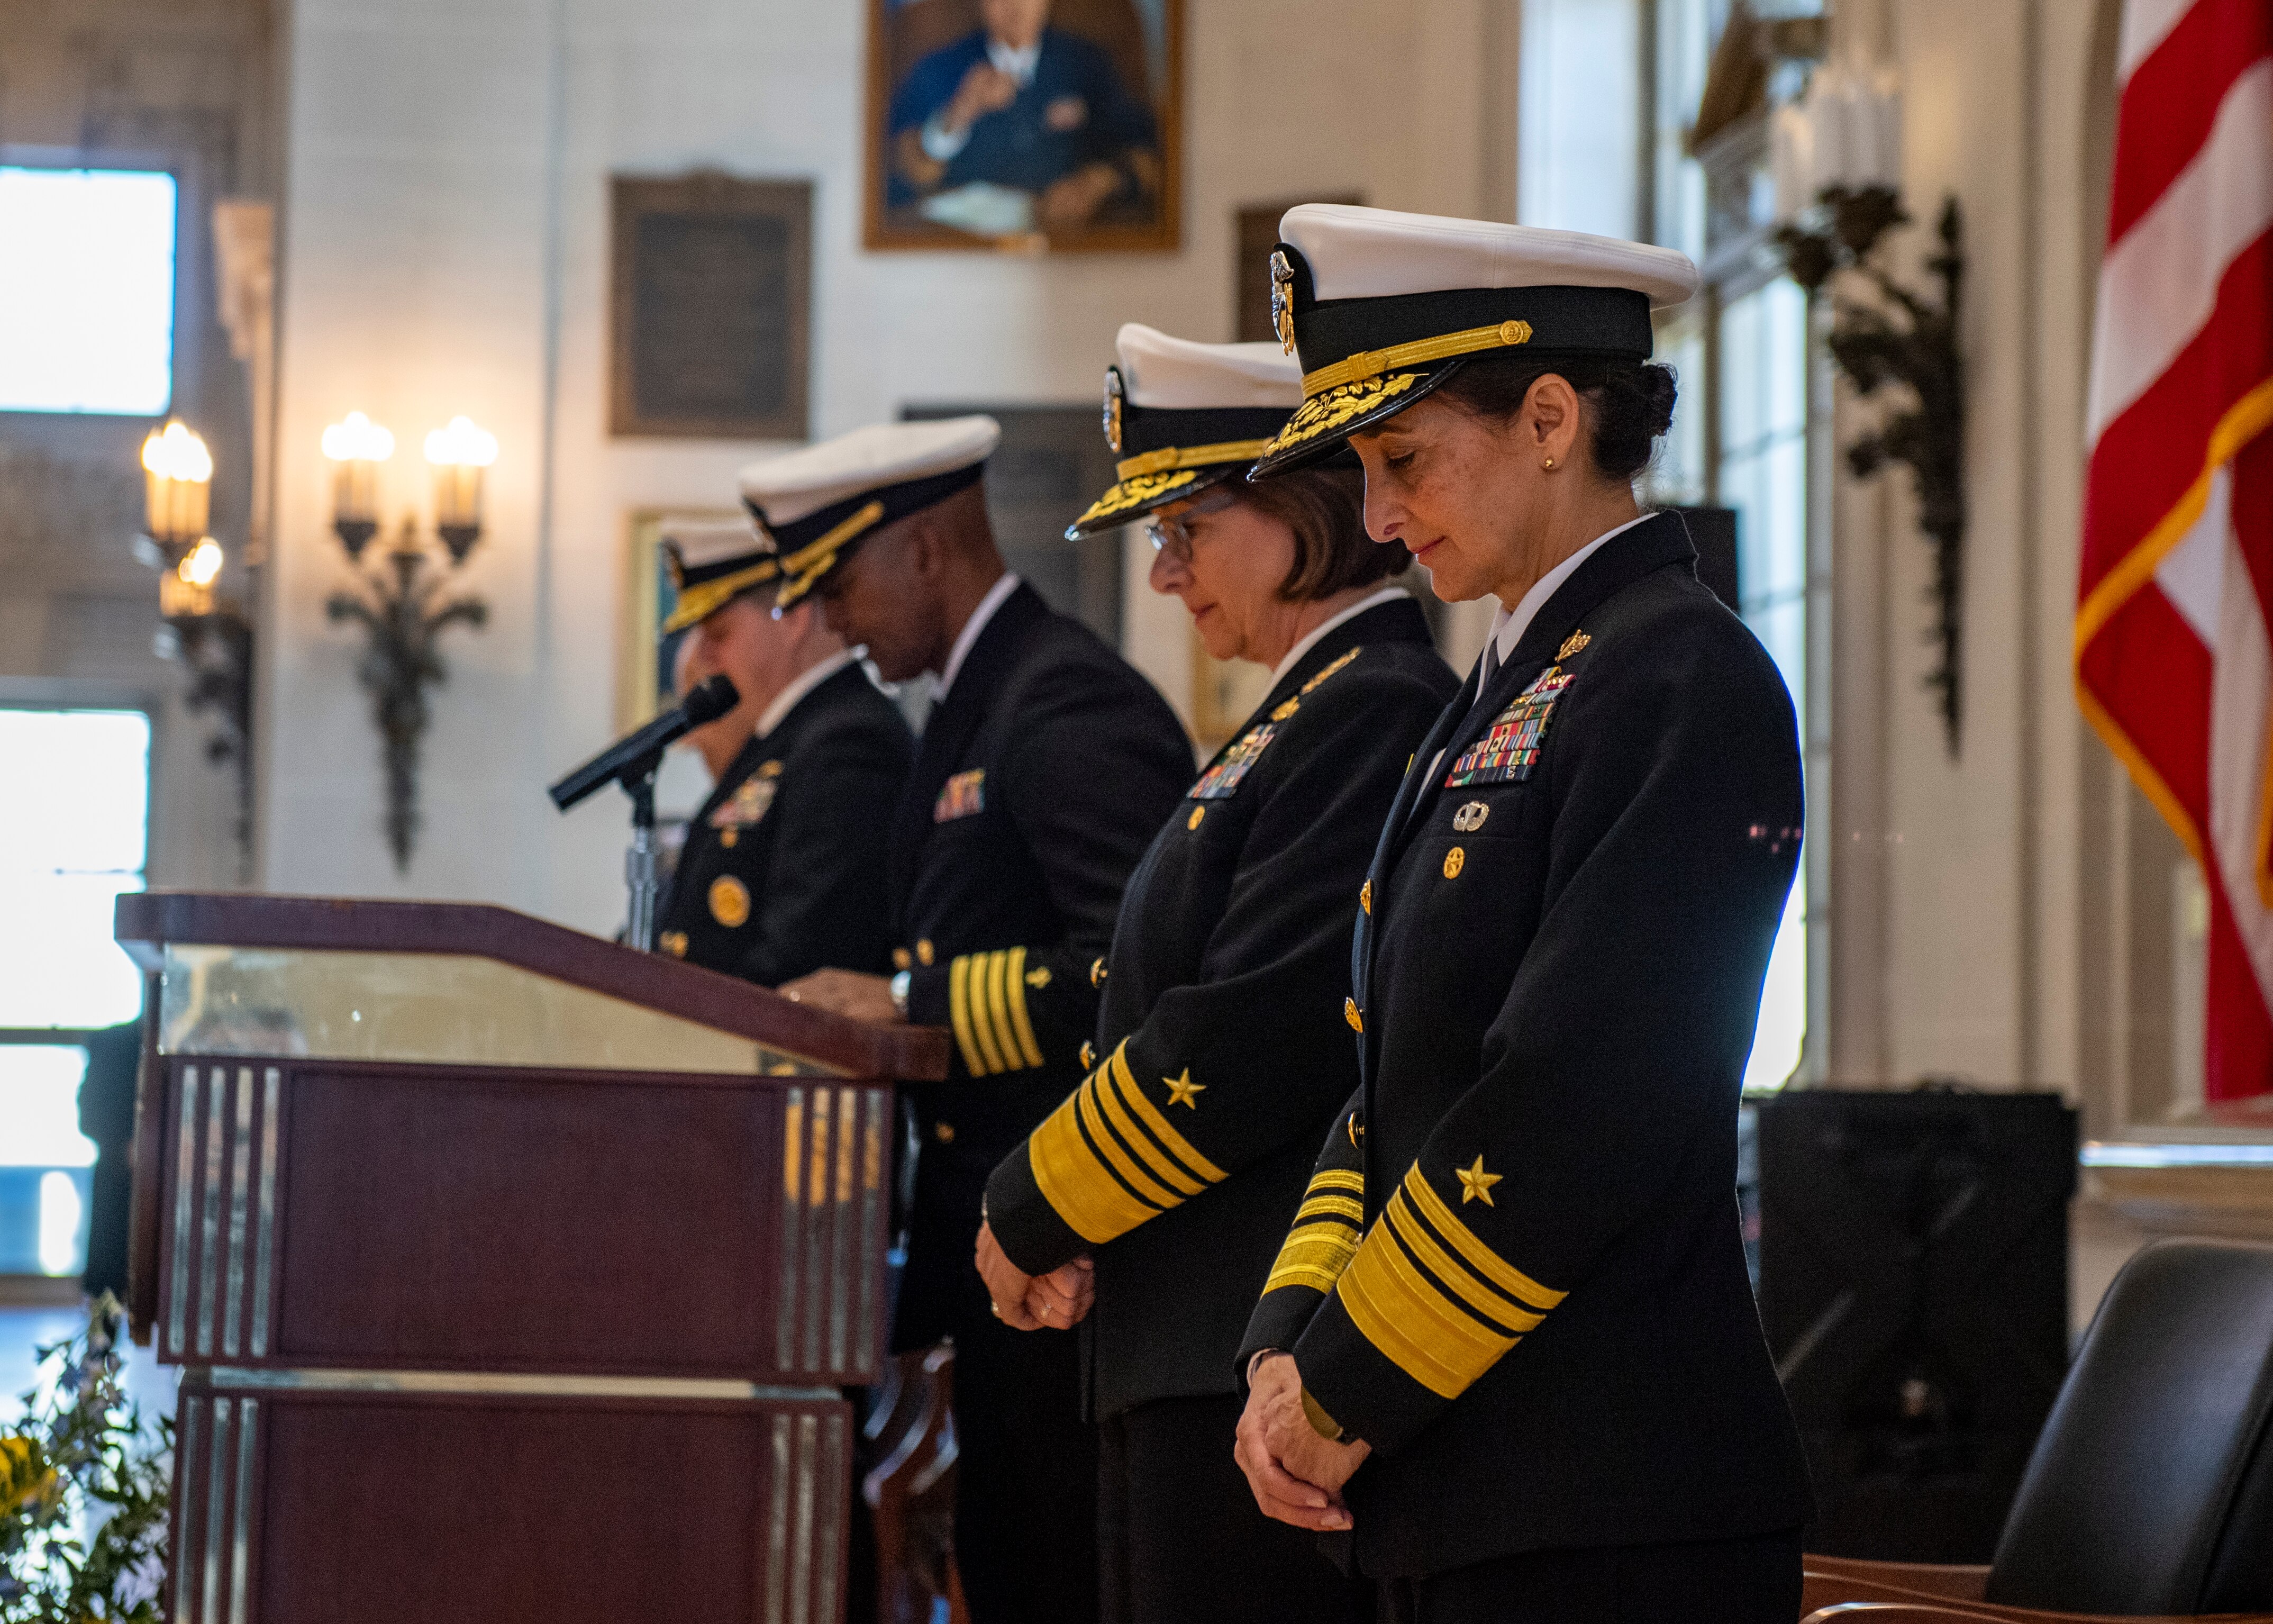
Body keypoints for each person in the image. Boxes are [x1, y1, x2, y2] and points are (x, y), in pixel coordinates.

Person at [1230, 204, 1814, 1623]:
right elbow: (1389, 1070)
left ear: (1552, 417)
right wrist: (1285, 1344)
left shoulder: (1683, 674)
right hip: (1458, 1473)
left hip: (1605, 1492)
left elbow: (1579, 1093)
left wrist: (1347, 1380)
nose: (1373, 516)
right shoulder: (1501, 689)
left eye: (1402, 460)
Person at [969, 325, 1457, 1624]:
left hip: (1248, 1341)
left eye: (1190, 525)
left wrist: (1032, 1202)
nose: (1166, 571)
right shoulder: (1297, 712)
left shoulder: (1371, 704)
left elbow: (1252, 1033)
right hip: (1176, 1333)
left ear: (1304, 511)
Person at [771, 417, 1192, 1624]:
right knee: (1006, 1569)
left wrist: (909, 1007)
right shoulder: (972, 704)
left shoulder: (1057, 696)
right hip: (995, 1235)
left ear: (920, 551)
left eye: (841, 585)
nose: (833, 623)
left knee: (1056, 1575)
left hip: (1072, 1244)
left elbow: (1135, 970)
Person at [649, 518, 911, 987]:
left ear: (792, 617)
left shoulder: (847, 742)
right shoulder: (789, 738)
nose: (702, 660)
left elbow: (803, 959)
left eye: (718, 633)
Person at [887, 0, 1159, 232]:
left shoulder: (1086, 63)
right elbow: (903, 175)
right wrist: (960, 111)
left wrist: (1096, 183)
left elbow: (1148, 154)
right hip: (963, 245)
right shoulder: (940, 67)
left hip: (1066, 242)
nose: (1014, 4)